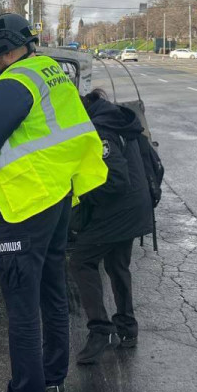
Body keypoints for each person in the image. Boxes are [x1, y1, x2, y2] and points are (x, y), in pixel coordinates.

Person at [0, 13, 108, 392]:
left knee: (22, 307)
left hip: (25, 207)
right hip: (56, 197)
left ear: (2, 52)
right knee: (52, 292)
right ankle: (53, 383)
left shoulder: (12, 84)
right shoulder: (51, 71)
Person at [69, 88, 154, 365]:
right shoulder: (113, 117)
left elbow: (115, 181)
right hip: (135, 207)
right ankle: (127, 329)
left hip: (119, 210)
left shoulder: (100, 130)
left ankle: (100, 330)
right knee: (118, 265)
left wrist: (81, 192)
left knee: (81, 261)